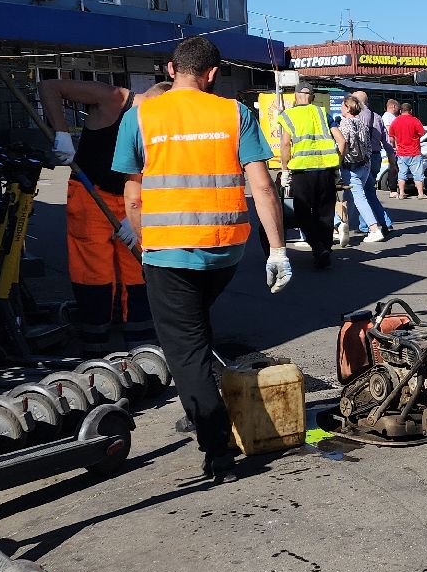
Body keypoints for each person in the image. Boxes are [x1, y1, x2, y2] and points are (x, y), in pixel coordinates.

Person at [113, 36, 292, 483]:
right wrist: (278, 250)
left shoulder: (139, 117)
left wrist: (139, 239)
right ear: (212, 74)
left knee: (185, 349)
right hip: (225, 250)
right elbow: (264, 187)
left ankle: (217, 448)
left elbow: (133, 195)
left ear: (171, 69)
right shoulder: (235, 113)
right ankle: (206, 399)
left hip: (168, 252)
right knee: (195, 327)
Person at [40, 76, 154, 353]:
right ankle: (96, 345)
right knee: (93, 272)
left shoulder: (160, 123)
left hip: (134, 196)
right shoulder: (113, 97)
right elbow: (49, 87)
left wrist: (139, 212)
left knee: (138, 271)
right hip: (91, 193)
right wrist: (62, 134)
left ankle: (142, 345)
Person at [273, 84, 340, 270]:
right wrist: (336, 166)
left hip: (302, 173)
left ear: (295, 96)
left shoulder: (289, 115)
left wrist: (285, 170)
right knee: (325, 213)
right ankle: (325, 248)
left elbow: (285, 144)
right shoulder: (323, 113)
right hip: (326, 171)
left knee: (303, 213)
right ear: (311, 97)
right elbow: (341, 140)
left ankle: (318, 248)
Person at [339, 91, 392, 244]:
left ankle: (374, 228)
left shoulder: (345, 123)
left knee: (359, 198)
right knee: (351, 197)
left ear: (348, 108)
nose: (341, 108)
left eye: (343, 105)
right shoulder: (362, 122)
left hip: (351, 166)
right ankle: (343, 226)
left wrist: (338, 161)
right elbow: (368, 145)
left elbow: (344, 145)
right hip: (364, 165)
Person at [389, 101, 427, 198]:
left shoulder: (395, 121)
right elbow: (422, 133)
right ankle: (420, 193)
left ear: (401, 110)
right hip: (414, 152)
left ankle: (401, 193)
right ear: (411, 111)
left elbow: (391, 138)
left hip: (401, 152)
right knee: (418, 174)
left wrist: (395, 146)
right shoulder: (415, 120)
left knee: (402, 173)